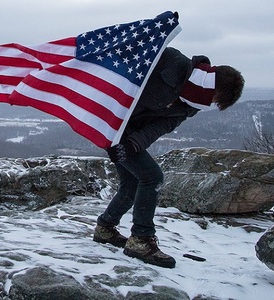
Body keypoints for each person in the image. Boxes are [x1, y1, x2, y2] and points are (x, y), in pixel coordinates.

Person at [92, 47, 244, 268]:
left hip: (126, 135)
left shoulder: (191, 104)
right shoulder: (172, 62)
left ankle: (105, 228)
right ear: (213, 85)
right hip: (110, 120)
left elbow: (161, 125)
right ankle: (141, 239)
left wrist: (134, 145)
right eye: (214, 98)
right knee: (152, 177)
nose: (209, 104)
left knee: (132, 183)